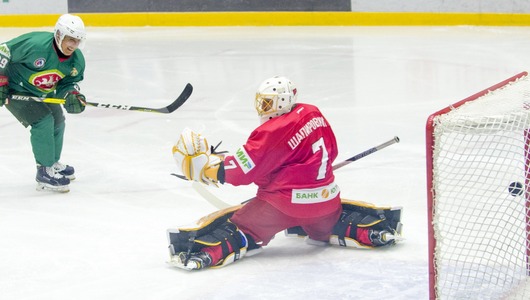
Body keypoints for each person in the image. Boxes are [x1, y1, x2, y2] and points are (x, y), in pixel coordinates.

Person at [168, 76, 402, 270]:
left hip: (280, 208)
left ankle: (205, 254)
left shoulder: (271, 130)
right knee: (327, 224)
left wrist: (204, 167)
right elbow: (331, 152)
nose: (264, 109)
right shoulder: (313, 113)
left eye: (270, 103)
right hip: (326, 204)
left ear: (285, 101)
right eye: (263, 103)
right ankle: (369, 232)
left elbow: (239, 172)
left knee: (242, 227)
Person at [0, 14, 88, 193]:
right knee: (42, 121)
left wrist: (71, 94)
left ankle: (52, 163)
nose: (73, 45)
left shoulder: (76, 60)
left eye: (77, 40)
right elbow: (3, 50)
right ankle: (44, 171)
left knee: (58, 120)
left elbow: (67, 83)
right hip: (14, 89)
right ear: (58, 35)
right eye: (70, 39)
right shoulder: (36, 44)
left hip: (40, 91)